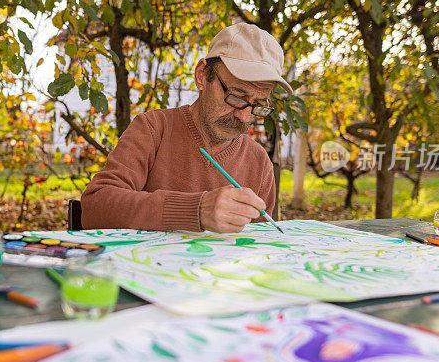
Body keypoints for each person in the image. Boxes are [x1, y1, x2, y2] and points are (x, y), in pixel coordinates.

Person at [80, 22, 293, 233]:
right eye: (236, 97)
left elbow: (260, 245)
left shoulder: (258, 162)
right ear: (202, 76)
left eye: (258, 104)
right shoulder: (154, 130)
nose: (244, 115)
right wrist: (196, 210)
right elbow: (94, 207)